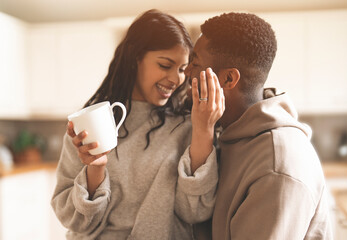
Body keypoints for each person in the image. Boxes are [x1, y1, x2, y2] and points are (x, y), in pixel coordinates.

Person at [51, 9, 225, 239]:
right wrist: (96, 168)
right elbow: (75, 221)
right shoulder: (88, 125)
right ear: (135, 59)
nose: (176, 79)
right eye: (165, 65)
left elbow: (195, 211)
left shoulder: (188, 125)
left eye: (182, 69)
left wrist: (203, 130)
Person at [186, 12, 332, 239]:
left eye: (195, 63)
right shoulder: (227, 134)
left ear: (227, 80)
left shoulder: (277, 167)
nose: (186, 72)